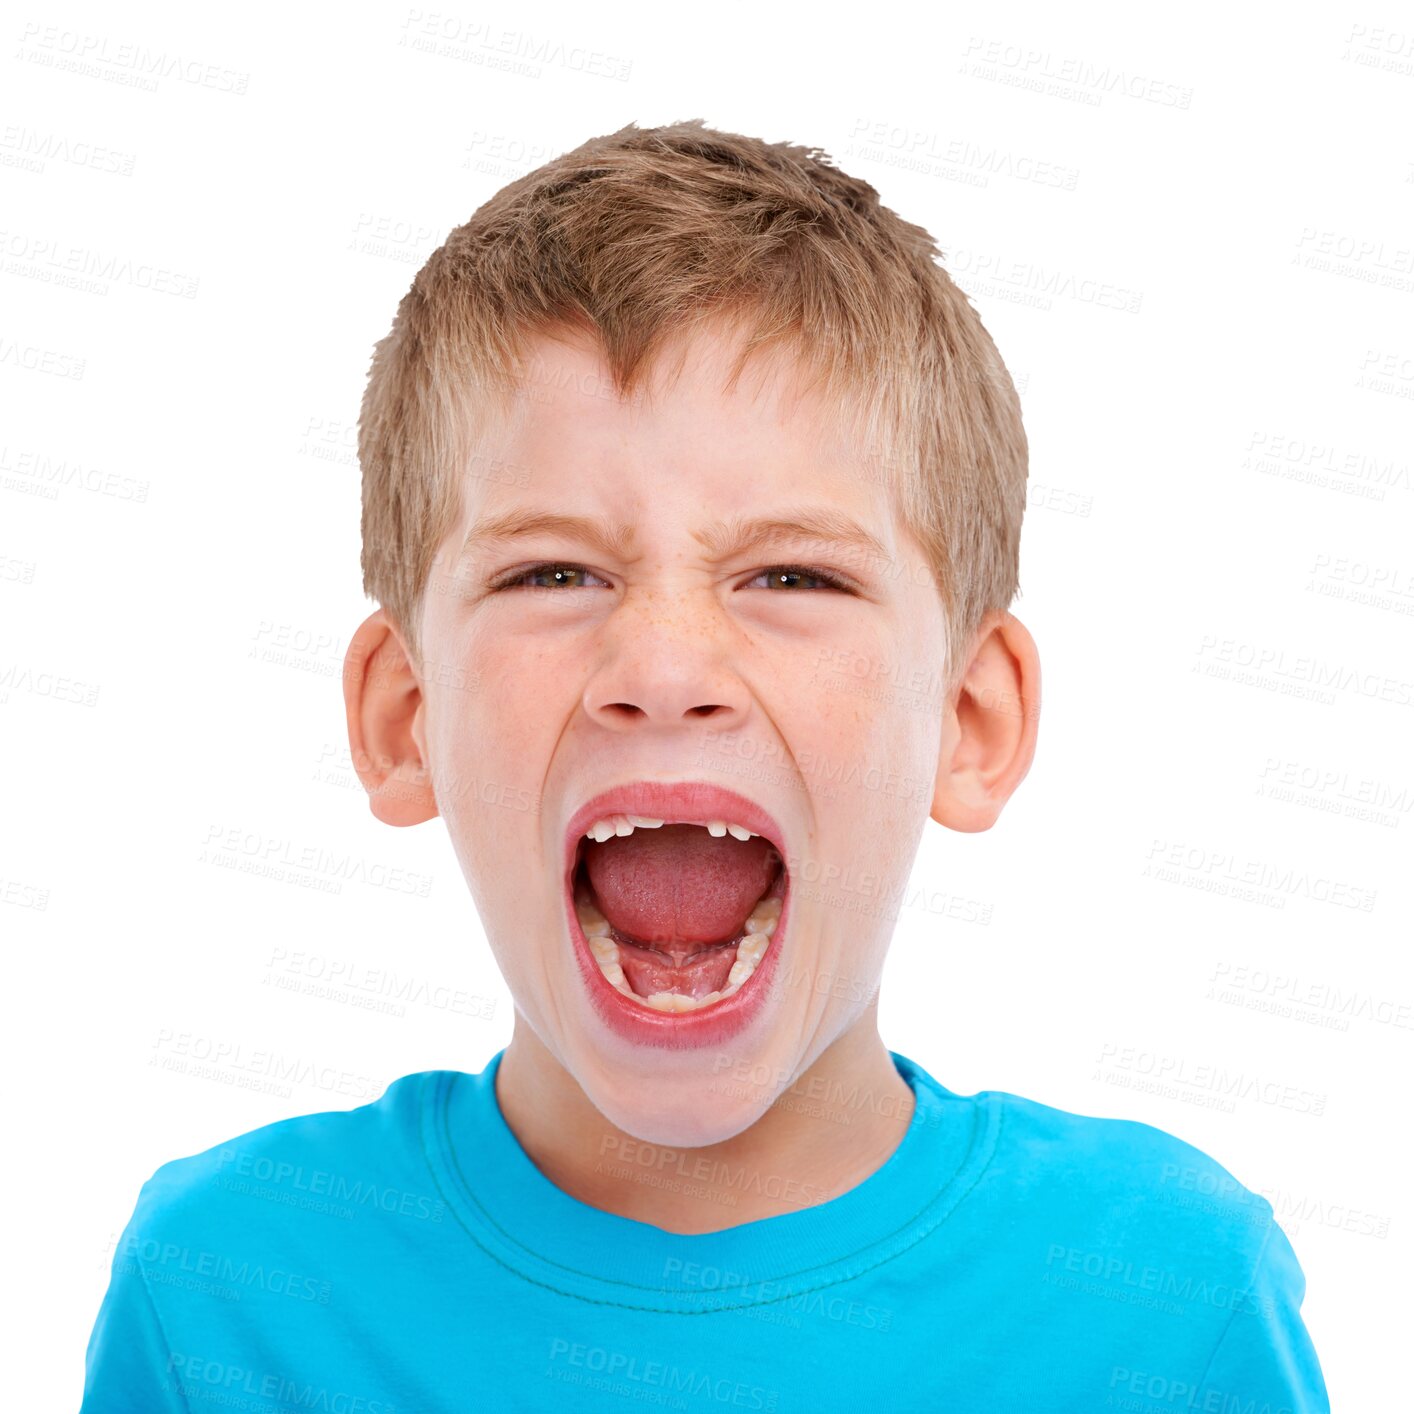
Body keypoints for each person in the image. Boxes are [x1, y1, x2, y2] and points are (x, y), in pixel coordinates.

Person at [81, 119, 1329, 1411]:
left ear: (969, 718)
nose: (664, 665)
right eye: (550, 572)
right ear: (405, 716)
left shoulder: (1163, 1299)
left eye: (792, 574)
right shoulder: (232, 1292)